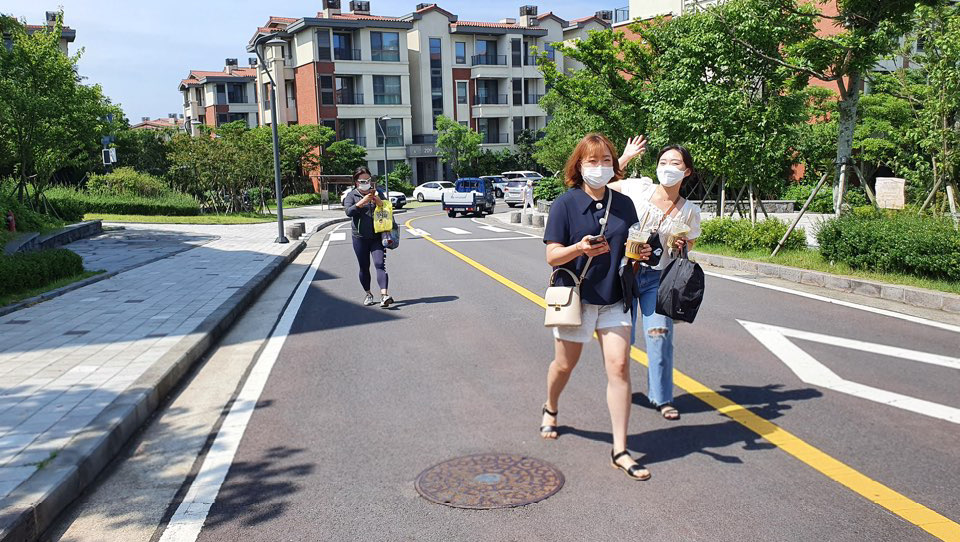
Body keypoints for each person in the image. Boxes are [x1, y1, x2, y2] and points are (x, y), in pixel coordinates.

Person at [540, 133, 653, 481]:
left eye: (606, 161)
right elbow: (552, 256)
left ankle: (620, 449)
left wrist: (642, 252)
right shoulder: (564, 205)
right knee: (565, 364)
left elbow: (633, 245)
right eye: (592, 161)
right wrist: (579, 248)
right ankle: (551, 406)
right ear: (579, 165)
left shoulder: (624, 205)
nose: (600, 167)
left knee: (619, 367)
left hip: (615, 298)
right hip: (577, 300)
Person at [611, 138, 702, 421]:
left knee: (659, 336)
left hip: (659, 279)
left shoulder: (690, 210)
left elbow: (689, 244)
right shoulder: (639, 188)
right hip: (625, 274)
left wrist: (681, 245)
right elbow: (603, 187)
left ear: (686, 171)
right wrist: (624, 158)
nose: (667, 167)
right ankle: (619, 389)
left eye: (675, 163)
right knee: (622, 340)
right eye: (663, 162)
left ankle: (662, 398)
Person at [343, 166, 394, 308]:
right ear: (356, 182)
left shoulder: (378, 193)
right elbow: (348, 211)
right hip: (359, 237)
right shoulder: (351, 195)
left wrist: (379, 202)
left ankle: (384, 295)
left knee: (379, 264)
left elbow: (387, 207)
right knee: (364, 267)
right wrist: (362, 202)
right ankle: (368, 294)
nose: (366, 183)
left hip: (377, 236)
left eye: (368, 180)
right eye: (362, 181)